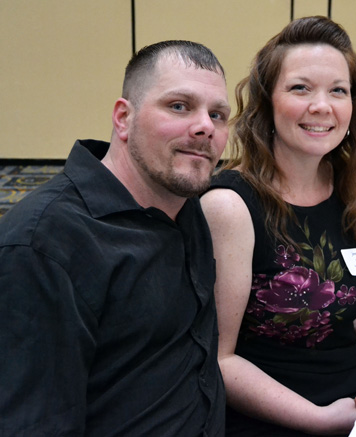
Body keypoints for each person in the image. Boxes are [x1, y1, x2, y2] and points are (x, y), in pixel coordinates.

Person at [0, 40, 231, 435]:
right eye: (179, 106)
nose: (205, 126)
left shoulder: (185, 203)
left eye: (218, 114)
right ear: (123, 118)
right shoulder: (45, 246)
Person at [200, 16, 356, 436]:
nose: (322, 106)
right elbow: (220, 358)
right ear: (267, 102)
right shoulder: (230, 206)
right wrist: (320, 420)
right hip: (269, 415)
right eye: (300, 88)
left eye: (338, 91)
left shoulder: (355, 193)